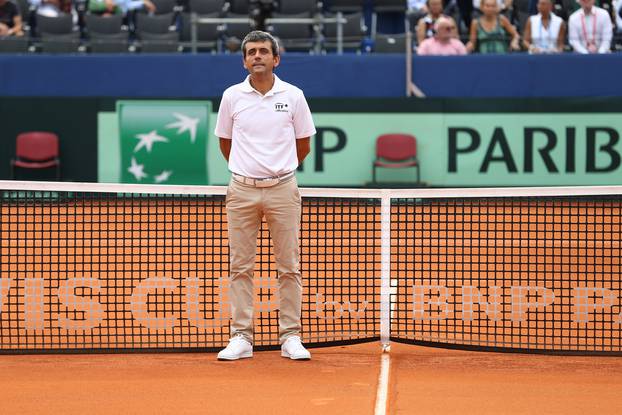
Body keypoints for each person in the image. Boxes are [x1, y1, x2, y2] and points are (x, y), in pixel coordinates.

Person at [214, 30, 316, 361]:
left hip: (283, 190)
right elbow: (225, 143)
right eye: (252, 52)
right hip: (241, 190)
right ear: (244, 60)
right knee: (240, 266)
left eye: (263, 51)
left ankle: (291, 336)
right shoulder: (231, 96)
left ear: (276, 59)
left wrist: (276, 171)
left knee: (289, 266)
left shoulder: (295, 95)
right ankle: (241, 336)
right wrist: (248, 172)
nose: (257, 56)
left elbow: (303, 143)